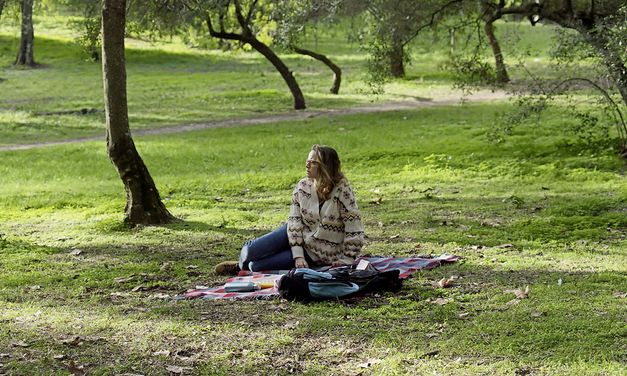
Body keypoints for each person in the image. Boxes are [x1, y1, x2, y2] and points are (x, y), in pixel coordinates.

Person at [214, 144, 365, 275]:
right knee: (249, 251)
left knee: (256, 266)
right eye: (307, 161)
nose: (307, 166)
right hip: (296, 232)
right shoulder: (303, 187)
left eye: (313, 163)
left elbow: (354, 229)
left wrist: (348, 258)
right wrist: (297, 255)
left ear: (325, 167)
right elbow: (294, 221)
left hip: (318, 252)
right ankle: (242, 262)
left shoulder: (343, 192)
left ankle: (239, 266)